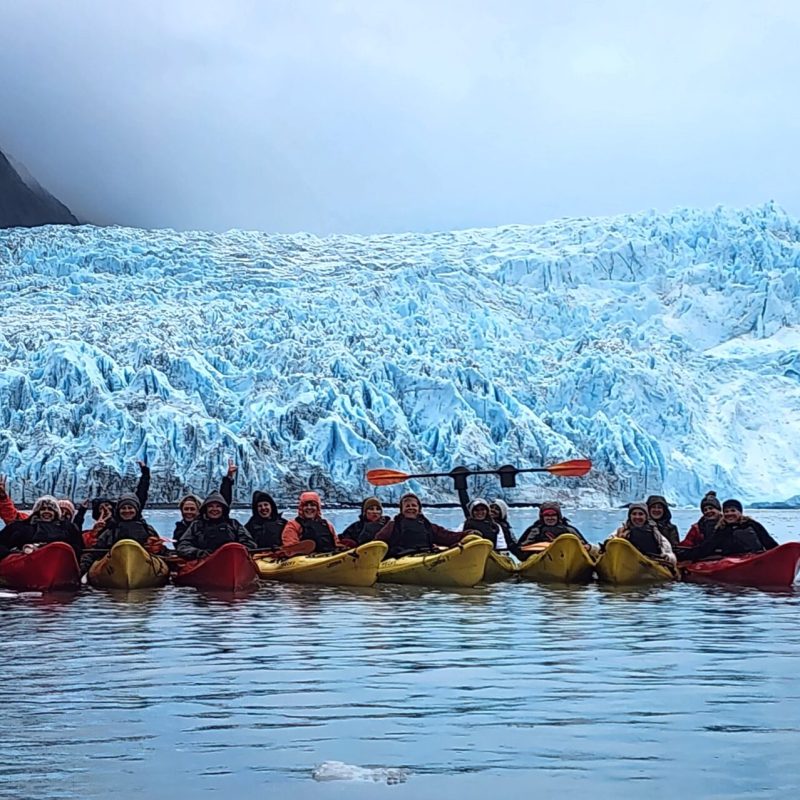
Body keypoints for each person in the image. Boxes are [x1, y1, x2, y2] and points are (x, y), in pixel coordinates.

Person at [79, 494, 165, 574]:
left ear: (136, 510)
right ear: (118, 510)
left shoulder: (147, 529)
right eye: (123, 508)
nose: (127, 511)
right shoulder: (110, 530)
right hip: (114, 568)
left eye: (130, 507)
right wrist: (82, 569)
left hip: (142, 565)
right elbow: (95, 552)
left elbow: (162, 550)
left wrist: (157, 548)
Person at [678, 499, 778, 562]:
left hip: (754, 557)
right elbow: (706, 548)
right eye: (726, 511)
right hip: (732, 560)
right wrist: (682, 555)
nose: (729, 514)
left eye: (733, 511)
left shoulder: (752, 525)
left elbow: (769, 543)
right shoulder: (722, 529)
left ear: (740, 512)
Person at [374, 493, 466, 558]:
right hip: (401, 557)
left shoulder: (427, 525)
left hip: (426, 554)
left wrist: (467, 534)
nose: (411, 508)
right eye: (407, 506)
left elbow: (447, 536)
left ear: (419, 509)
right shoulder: (393, 525)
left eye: (414, 506)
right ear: (402, 510)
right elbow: (378, 541)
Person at [173, 459, 238, 547]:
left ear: (199, 510)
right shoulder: (180, 529)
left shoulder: (204, 524)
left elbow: (223, 502)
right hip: (195, 556)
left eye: (192, 509)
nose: (189, 512)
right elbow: (181, 547)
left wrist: (228, 479)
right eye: (186, 509)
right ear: (181, 511)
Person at [177, 492, 256, 560]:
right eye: (211, 506)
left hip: (232, 560)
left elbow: (250, 543)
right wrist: (198, 553)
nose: (214, 509)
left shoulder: (233, 524)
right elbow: (183, 546)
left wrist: (238, 551)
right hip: (205, 563)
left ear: (223, 509)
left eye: (218, 506)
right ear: (205, 509)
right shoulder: (196, 525)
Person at [0, 495, 83, 560]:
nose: (46, 511)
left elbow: (78, 546)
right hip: (27, 562)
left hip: (58, 562)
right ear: (37, 512)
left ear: (56, 513)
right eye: (43, 509)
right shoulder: (21, 526)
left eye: (50, 509)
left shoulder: (68, 528)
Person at [605, 503, 676, 564]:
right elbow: (607, 544)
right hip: (625, 562)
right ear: (630, 516)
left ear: (646, 517)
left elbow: (668, 552)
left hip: (648, 563)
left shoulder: (655, 533)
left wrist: (668, 556)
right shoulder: (620, 531)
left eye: (641, 514)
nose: (637, 517)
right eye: (634, 514)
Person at [515, 501, 589, 559]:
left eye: (553, 515)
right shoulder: (535, 530)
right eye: (547, 515)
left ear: (558, 516)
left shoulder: (569, 529)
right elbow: (521, 550)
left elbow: (585, 545)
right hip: (542, 558)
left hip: (566, 556)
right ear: (542, 517)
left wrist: (587, 547)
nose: (550, 518)